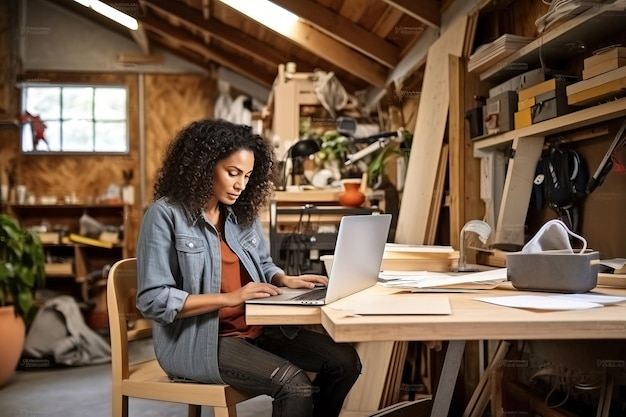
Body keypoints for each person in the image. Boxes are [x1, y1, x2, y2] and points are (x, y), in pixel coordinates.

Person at [136, 118, 361, 417]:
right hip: (201, 341)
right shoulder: (164, 215)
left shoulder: (241, 214)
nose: (241, 184)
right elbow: (152, 299)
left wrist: (283, 278)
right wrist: (230, 298)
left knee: (345, 362)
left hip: (257, 330)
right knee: (295, 386)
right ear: (203, 167)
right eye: (232, 173)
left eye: (247, 175)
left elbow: (263, 263)